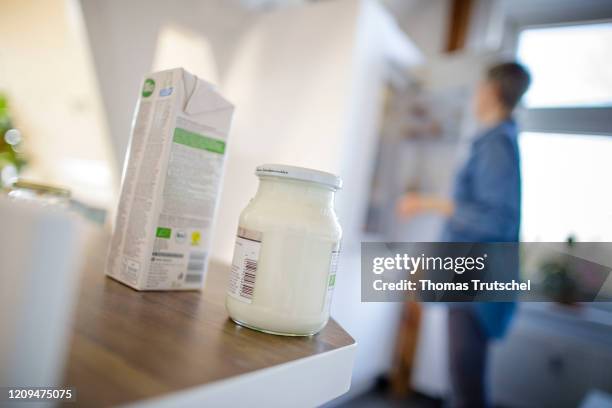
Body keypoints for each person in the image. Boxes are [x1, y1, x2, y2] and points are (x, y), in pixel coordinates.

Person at [396, 62, 531, 408]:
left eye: (479, 86)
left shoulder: (496, 144)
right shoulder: (493, 140)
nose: (474, 93)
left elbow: (497, 220)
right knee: (463, 377)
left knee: (466, 381)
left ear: (491, 91)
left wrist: (428, 202)